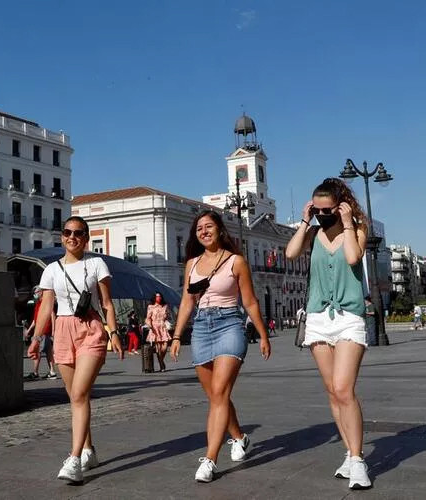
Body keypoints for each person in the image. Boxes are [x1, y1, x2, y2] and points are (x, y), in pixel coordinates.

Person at [170, 209, 271, 483]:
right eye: (199, 228)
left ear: (219, 229)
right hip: (201, 328)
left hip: (230, 326)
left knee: (219, 391)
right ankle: (239, 437)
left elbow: (249, 301)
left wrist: (262, 334)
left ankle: (210, 459)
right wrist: (177, 335)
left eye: (209, 226)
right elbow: (187, 302)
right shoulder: (191, 264)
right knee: (217, 397)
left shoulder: (236, 262)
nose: (204, 231)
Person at [285, 177, 372, 490]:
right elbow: (291, 253)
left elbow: (352, 258)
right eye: (317, 209)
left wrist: (347, 222)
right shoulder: (313, 232)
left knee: (343, 388)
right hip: (319, 319)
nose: (323, 214)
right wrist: (306, 220)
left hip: (349, 317)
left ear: (341, 205)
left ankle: (359, 460)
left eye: (328, 209)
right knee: (332, 391)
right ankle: (349, 452)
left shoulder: (358, 228)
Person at [34, 216, 123, 483]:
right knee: (75, 396)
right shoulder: (50, 269)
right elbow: (47, 306)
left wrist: (114, 333)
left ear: (86, 238)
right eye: (67, 232)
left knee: (80, 393)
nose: (72, 237)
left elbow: (107, 303)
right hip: (62, 330)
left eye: (79, 233)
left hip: (91, 329)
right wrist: (37, 338)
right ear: (62, 236)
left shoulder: (96, 263)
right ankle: (88, 450)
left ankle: (74, 460)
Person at [24, 286, 57, 380]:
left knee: (37, 351)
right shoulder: (38, 303)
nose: (35, 293)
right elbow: (35, 320)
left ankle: (35, 372)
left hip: (44, 331)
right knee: (48, 352)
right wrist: (29, 330)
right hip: (41, 330)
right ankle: (52, 372)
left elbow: (52, 316)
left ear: (41, 292)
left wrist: (53, 331)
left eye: (36, 291)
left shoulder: (45, 302)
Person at [146, 292, 172, 371]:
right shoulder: (151, 307)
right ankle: (161, 365)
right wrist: (149, 325)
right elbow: (148, 317)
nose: (159, 298)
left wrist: (167, 318)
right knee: (158, 348)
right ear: (154, 298)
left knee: (164, 347)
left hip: (163, 327)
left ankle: (161, 361)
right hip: (155, 328)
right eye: (157, 296)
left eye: (160, 296)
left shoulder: (165, 306)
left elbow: (168, 316)